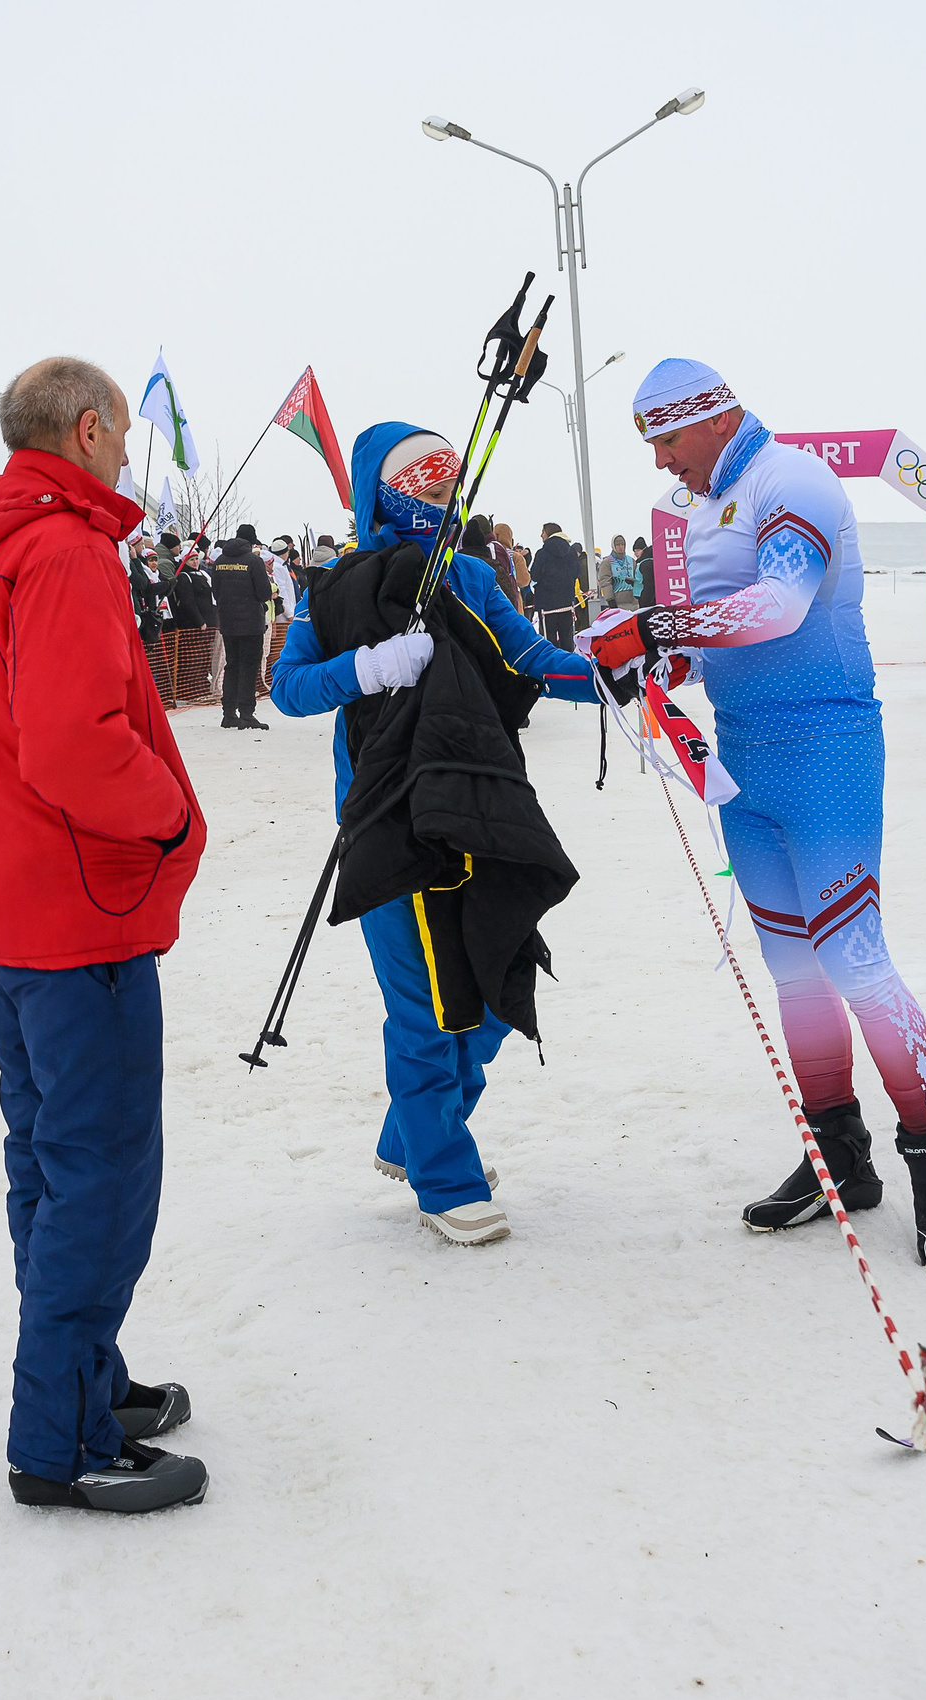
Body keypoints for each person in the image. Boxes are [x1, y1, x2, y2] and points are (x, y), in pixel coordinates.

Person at [587, 357, 926, 1266]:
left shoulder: (792, 478)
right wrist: (663, 663)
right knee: (794, 970)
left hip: (826, 749)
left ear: (715, 417)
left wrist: (654, 626)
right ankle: (841, 1154)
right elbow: (722, 637)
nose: (662, 462)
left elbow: (780, 606)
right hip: (746, 759)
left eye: (667, 440)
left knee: (854, 960)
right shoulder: (705, 507)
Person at [0, 355, 209, 1515]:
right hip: (84, 915)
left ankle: (87, 1376)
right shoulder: (64, 548)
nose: (126, 454)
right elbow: (76, 743)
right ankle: (61, 1438)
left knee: (47, 1162)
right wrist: (170, 819)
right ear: (87, 430)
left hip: (7, 905)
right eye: (120, 434)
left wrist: (6, 825)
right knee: (101, 1180)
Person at [267, 423, 597, 1248]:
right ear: (382, 494)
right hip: (387, 818)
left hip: (477, 803)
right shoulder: (337, 587)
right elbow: (289, 686)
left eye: (451, 485)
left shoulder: (472, 575)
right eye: (427, 486)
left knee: (492, 983)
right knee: (423, 1007)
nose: (444, 500)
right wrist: (369, 668)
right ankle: (444, 1177)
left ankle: (411, 1133)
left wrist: (609, 672)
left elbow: (529, 659)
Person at [210, 523, 275, 731]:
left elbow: (216, 590)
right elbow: (264, 593)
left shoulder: (219, 561)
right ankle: (246, 713)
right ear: (252, 541)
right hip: (251, 623)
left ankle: (228, 713)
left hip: (227, 622)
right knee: (249, 666)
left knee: (232, 665)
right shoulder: (253, 561)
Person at [528, 521, 587, 651]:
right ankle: (569, 663)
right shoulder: (571, 552)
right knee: (567, 641)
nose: (541, 535)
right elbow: (577, 572)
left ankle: (552, 664)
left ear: (549, 533)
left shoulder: (542, 553)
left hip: (547, 605)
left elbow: (535, 576)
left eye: (543, 532)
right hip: (566, 603)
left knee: (549, 642)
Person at [607, 534, 642, 610]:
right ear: (613, 546)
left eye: (622, 544)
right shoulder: (608, 562)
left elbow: (637, 578)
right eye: (618, 545)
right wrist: (610, 600)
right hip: (618, 602)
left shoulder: (631, 560)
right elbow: (605, 582)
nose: (621, 547)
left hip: (634, 602)